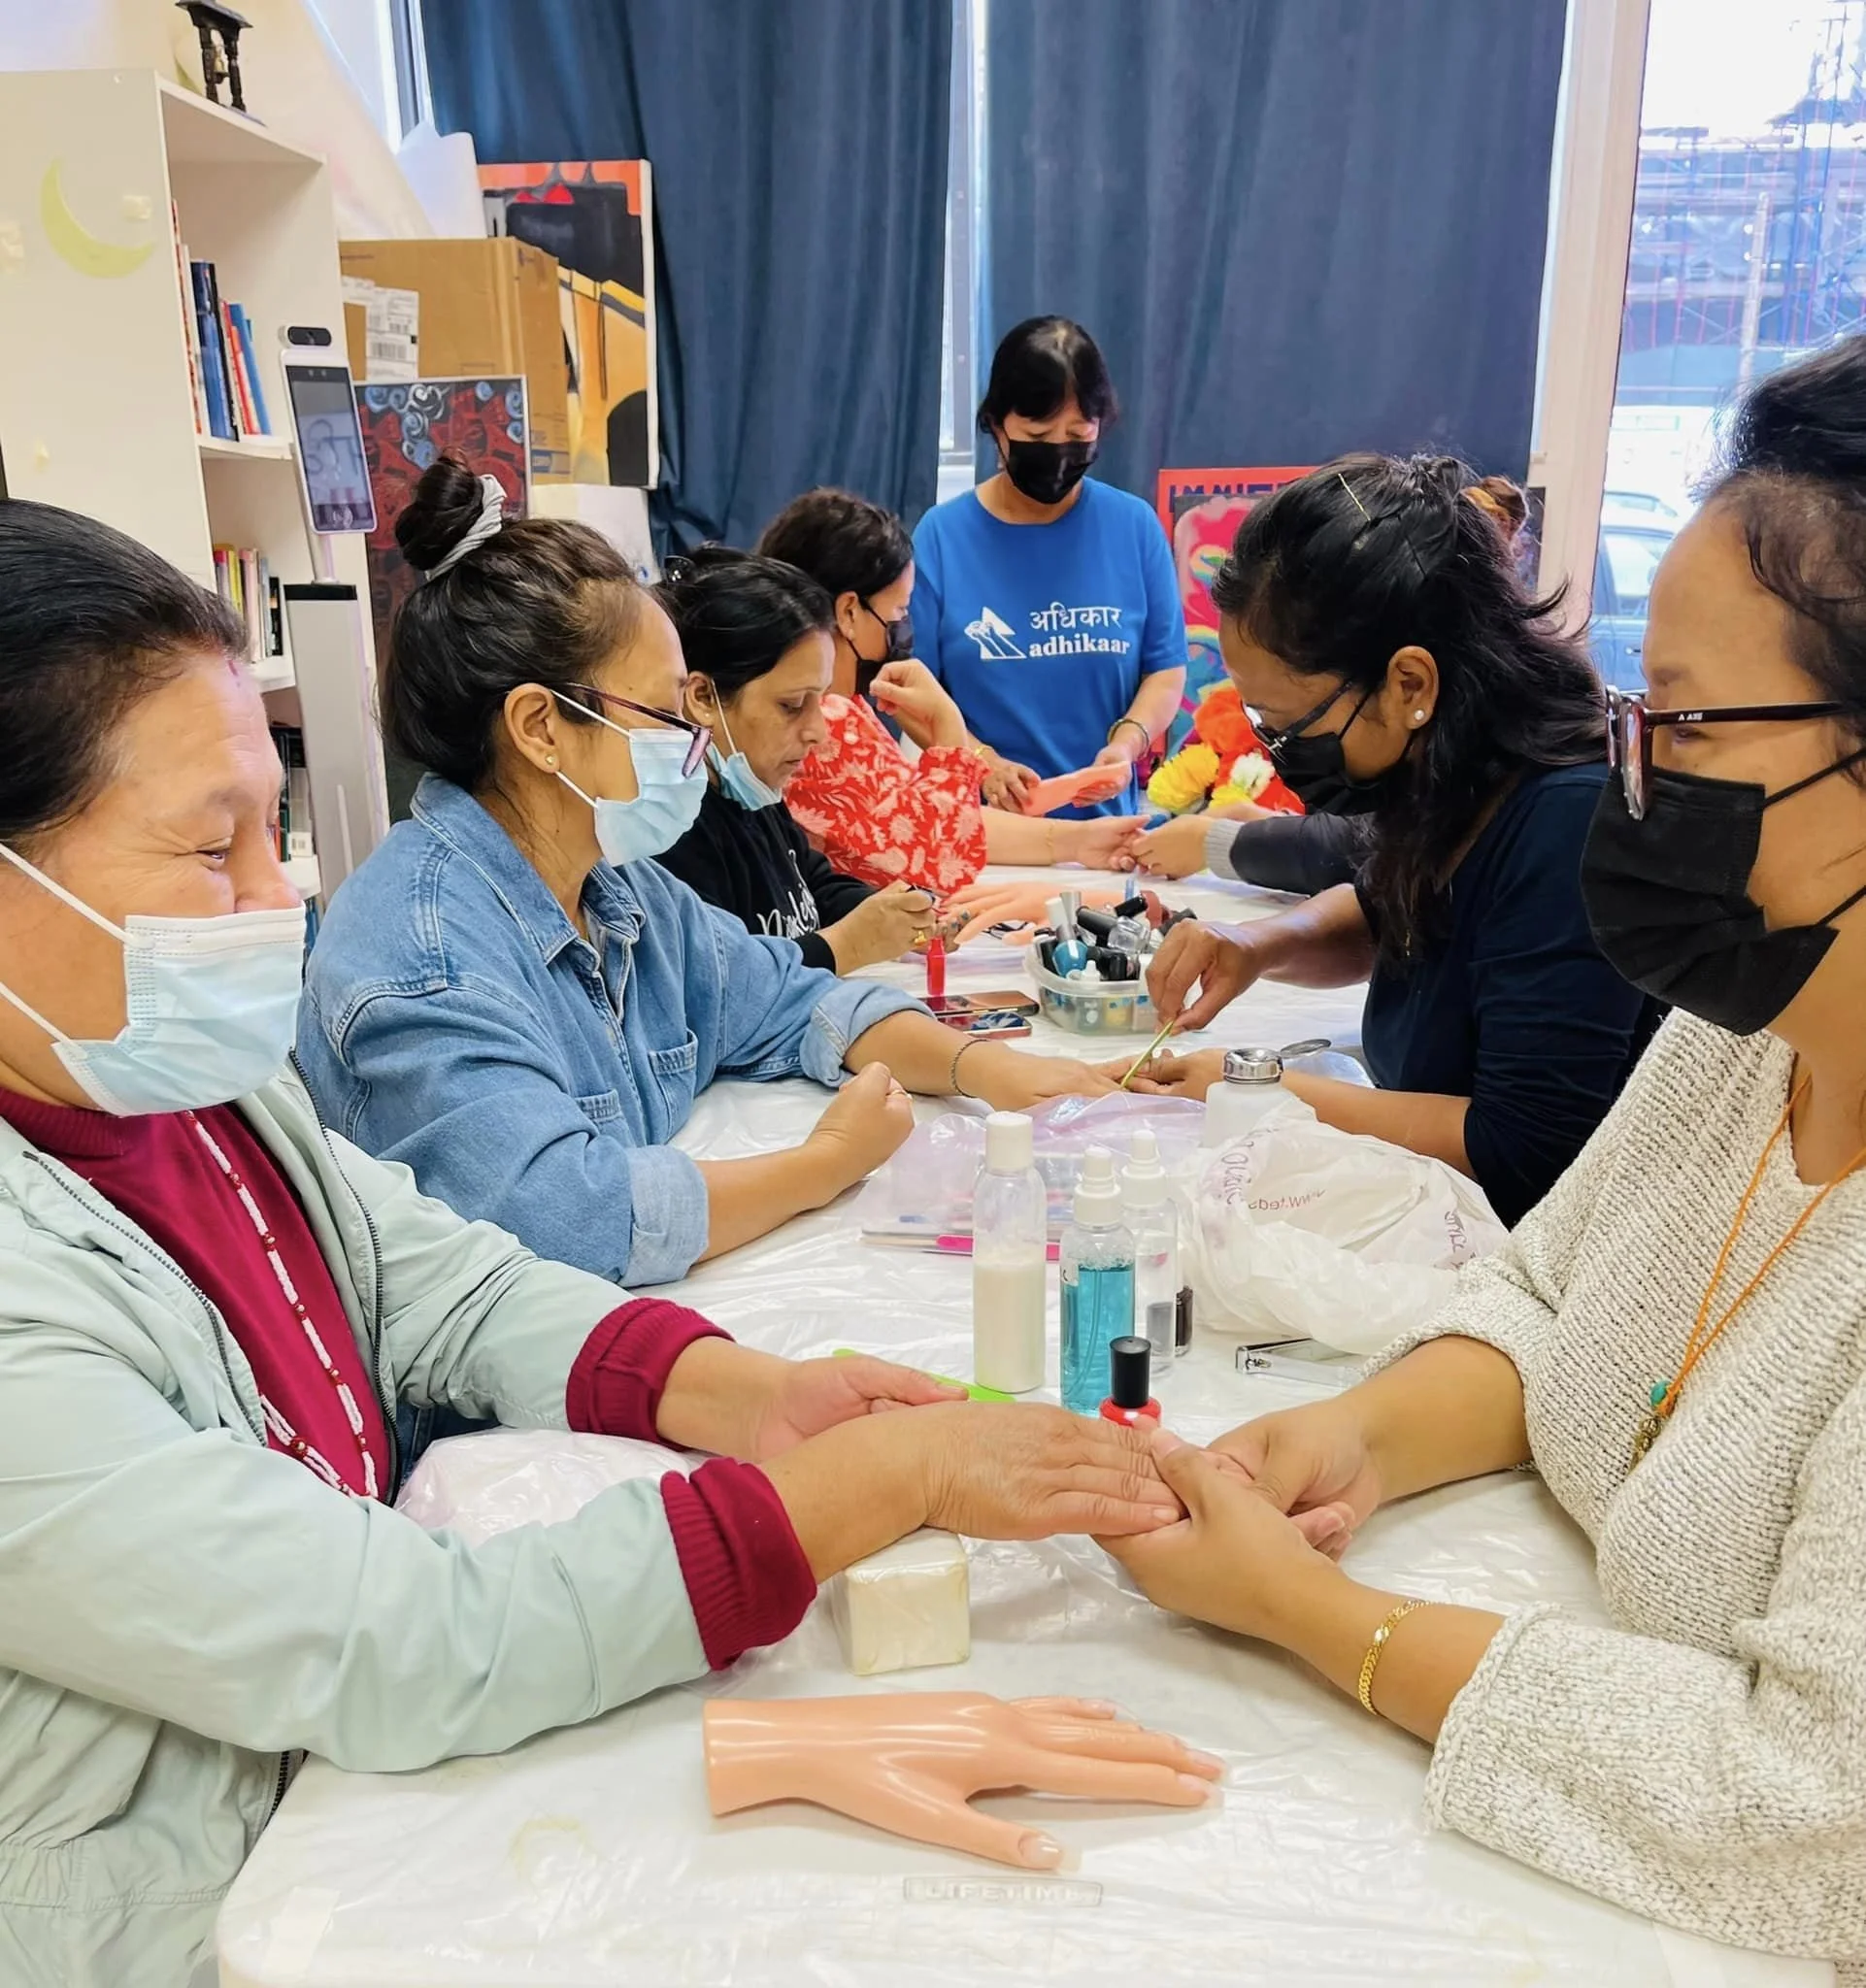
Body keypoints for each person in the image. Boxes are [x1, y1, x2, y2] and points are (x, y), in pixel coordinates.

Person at [0, 497, 1189, 1987]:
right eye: (205, 849)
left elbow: (432, 1276)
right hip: (208, 1899)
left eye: (271, 834)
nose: (270, 907)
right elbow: (387, 1635)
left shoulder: (187, 1087)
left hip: (348, 1771)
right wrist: (858, 1487)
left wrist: (744, 1394)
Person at [1100, 335, 1866, 1977]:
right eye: (1631, 715)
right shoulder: (1742, 1037)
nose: (1629, 777)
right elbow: (1545, 1279)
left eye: (1687, 731)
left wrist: (1313, 1618)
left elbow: (1818, 1805)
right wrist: (1357, 1435)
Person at [298, 460, 1119, 1290]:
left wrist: (990, 1071)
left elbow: (791, 998)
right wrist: (826, 1162)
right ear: (542, 729)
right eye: (664, 714)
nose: (692, 742)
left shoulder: (618, 889)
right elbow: (572, 1218)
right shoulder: (424, 954)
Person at [1125, 454, 1654, 1227]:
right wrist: (1255, 946)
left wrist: (1258, 1088)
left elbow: (1523, 1149)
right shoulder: (1457, 773)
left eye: (1287, 725)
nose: (1276, 751)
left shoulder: (1564, 820)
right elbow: (1390, 911)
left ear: (1410, 685)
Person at [761, 487, 1148, 893]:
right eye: (898, 613)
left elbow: (923, 814)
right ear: (849, 611)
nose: (902, 630)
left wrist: (1077, 841)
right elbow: (942, 860)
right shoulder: (825, 723)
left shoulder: (843, 709)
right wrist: (947, 724)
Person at [910, 317, 1188, 816]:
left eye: (1079, 433)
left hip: (1106, 836)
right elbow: (914, 691)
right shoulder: (942, 536)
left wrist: (1127, 744)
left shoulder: (1134, 527)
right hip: (988, 836)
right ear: (995, 425)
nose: (1059, 453)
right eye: (1038, 434)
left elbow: (1165, 671)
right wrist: (983, 763)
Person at [654, 548, 934, 974]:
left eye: (819, 700)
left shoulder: (753, 787)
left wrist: (893, 911)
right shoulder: (670, 834)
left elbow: (811, 881)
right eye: (791, 705)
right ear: (703, 697)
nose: (817, 731)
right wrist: (847, 945)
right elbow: (722, 980)